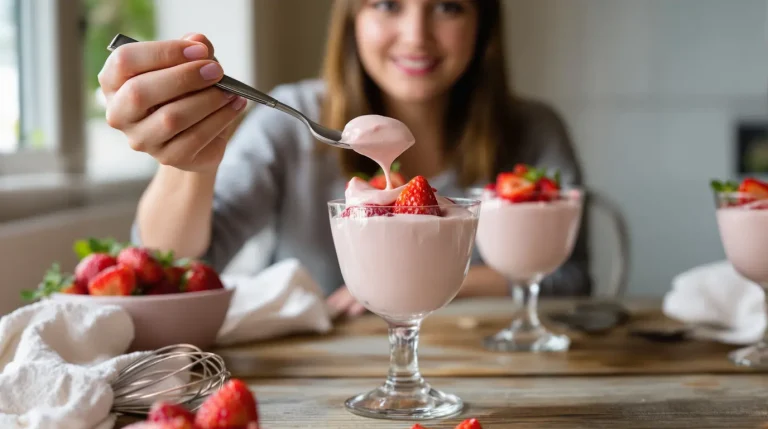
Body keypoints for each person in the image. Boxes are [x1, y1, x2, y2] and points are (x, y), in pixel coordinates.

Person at [98, 0, 591, 318]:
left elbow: (568, 278)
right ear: (352, 16)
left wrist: (416, 286)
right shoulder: (288, 125)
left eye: (447, 6)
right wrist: (190, 165)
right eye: (387, 4)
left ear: (483, 23)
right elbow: (177, 268)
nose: (416, 34)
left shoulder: (533, 130)